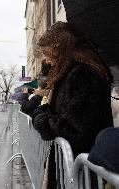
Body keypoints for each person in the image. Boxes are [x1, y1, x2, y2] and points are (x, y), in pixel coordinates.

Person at [32, 22, 114, 188]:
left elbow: (74, 129)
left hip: (82, 171)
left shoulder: (82, 74)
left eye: (47, 52)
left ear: (59, 46)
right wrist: (45, 111)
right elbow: (65, 113)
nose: (46, 59)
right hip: (76, 169)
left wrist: (41, 119)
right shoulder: (73, 72)